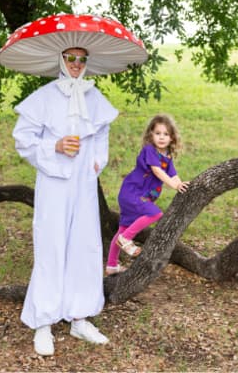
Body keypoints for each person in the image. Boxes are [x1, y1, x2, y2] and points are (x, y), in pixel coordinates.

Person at [12, 47, 116, 355]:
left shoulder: (94, 97)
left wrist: (95, 162)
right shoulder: (44, 97)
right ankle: (43, 322)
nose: (76, 64)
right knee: (51, 244)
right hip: (53, 180)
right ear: (61, 60)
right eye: (71, 58)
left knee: (85, 245)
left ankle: (79, 317)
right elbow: (23, 139)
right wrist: (54, 146)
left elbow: (101, 135)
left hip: (83, 182)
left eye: (82, 59)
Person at [105, 114, 189, 274]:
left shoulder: (167, 156)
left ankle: (111, 265)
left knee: (123, 228)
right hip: (133, 193)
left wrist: (180, 184)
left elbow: (173, 174)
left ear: (172, 137)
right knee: (155, 213)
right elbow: (157, 171)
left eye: (166, 134)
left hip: (138, 195)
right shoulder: (150, 150)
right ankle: (126, 239)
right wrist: (174, 185)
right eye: (158, 133)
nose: (161, 137)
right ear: (151, 135)